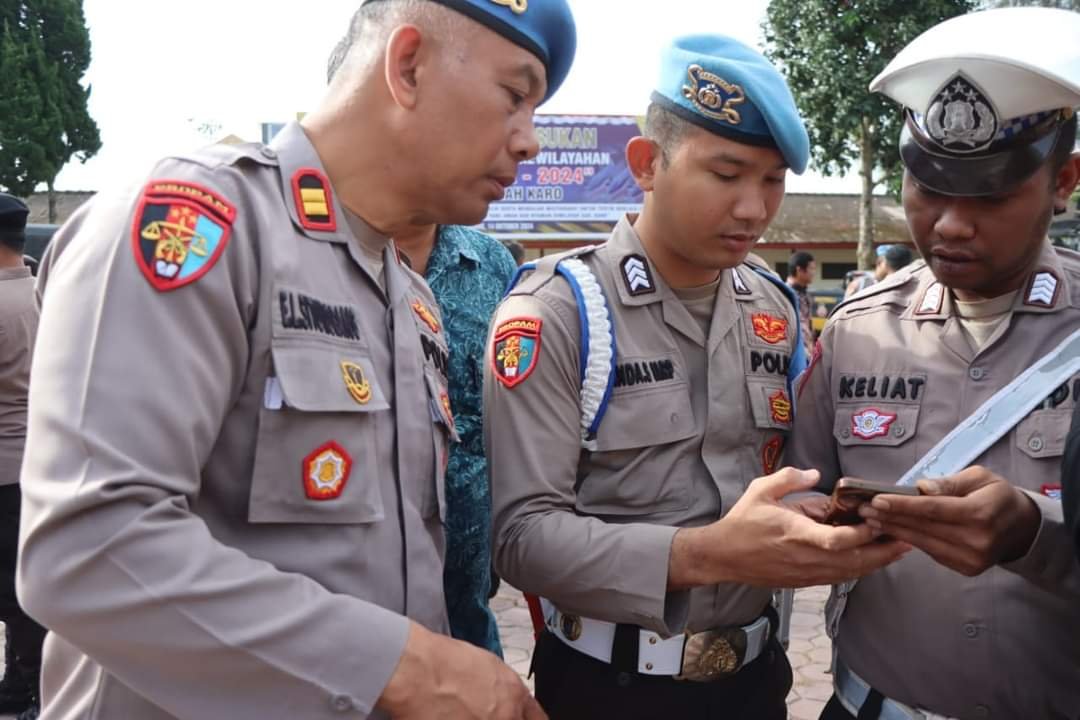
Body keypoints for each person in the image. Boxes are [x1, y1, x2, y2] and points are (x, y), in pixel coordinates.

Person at [17, 1, 575, 718]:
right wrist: (408, 669)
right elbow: (87, 551)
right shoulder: (201, 223)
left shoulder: (412, 301)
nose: (530, 141)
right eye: (515, 95)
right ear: (408, 66)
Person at [485, 34, 908, 720]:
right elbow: (521, 539)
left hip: (755, 682)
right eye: (726, 173)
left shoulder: (773, 307)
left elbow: (794, 473)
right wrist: (706, 554)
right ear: (646, 164)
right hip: (610, 689)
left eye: (772, 180)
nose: (753, 208)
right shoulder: (560, 312)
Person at [787, 7, 1080, 719]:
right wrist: (810, 528)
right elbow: (797, 492)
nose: (949, 222)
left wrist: (1034, 534)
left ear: (1064, 181)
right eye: (927, 186)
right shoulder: (855, 332)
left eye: (991, 194)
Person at [325, 30, 516, 655]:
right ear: (402, 78)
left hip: (466, 604)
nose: (525, 140)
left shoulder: (492, 266)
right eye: (509, 99)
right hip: (336, 629)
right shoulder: (291, 254)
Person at [393, 220, 517, 656]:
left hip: (469, 587)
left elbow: (513, 404)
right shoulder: (328, 256)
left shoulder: (491, 263)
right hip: (362, 588)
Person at [0, 194, 47, 720]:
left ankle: (34, 687)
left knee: (14, 595)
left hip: (3, 465)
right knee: (21, 582)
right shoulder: (39, 291)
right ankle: (21, 686)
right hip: (33, 458)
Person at [786, 250, 816, 352]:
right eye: (811, 268)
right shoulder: (786, 294)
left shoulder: (805, 294)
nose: (813, 273)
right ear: (799, 270)